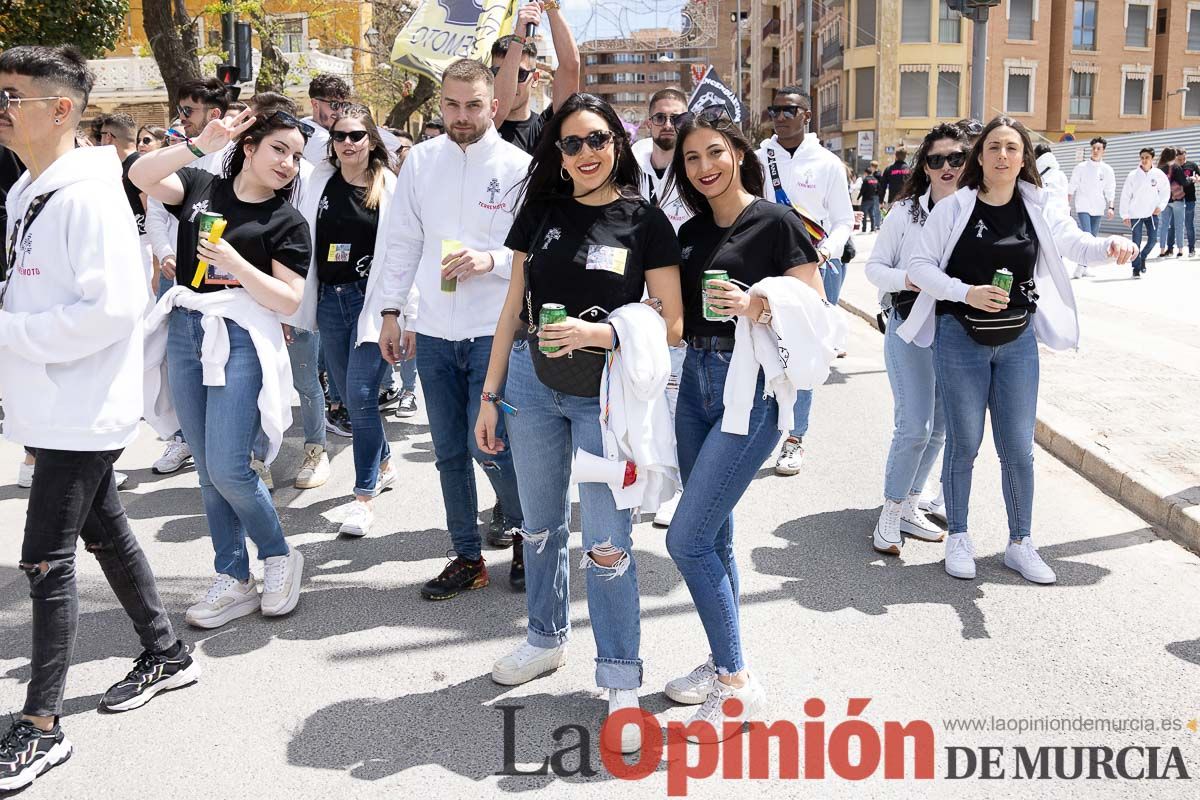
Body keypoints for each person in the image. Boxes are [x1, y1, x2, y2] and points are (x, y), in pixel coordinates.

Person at [0, 45, 199, 793]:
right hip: (52, 403)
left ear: (59, 110)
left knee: (45, 562)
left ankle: (42, 726)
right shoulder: (33, 189)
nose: (1, 107)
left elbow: (114, 310)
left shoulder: (88, 196)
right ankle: (166, 651)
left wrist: (9, 334)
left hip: (82, 411)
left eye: (11, 94)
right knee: (105, 528)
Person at [475, 92, 683, 754]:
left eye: (597, 140)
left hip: (607, 397)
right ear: (557, 155)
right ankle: (544, 638)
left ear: (617, 143)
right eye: (572, 143)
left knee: (606, 540)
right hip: (534, 388)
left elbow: (672, 320)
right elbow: (513, 306)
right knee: (536, 525)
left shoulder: (644, 220)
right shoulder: (540, 211)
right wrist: (490, 393)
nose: (586, 153)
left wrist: (602, 335)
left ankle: (621, 678)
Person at [898, 116, 1136, 585]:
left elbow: (1076, 245)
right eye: (994, 148)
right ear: (979, 158)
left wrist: (1110, 244)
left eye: (1012, 148)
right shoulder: (955, 208)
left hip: (1017, 340)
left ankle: (1021, 542)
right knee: (964, 445)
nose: (1003, 156)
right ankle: (959, 536)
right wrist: (966, 292)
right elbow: (920, 267)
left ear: (1024, 158)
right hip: (959, 337)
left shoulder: (1040, 205)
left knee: (1018, 449)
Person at [662, 107, 825, 739]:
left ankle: (736, 685)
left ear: (737, 152)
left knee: (687, 538)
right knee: (715, 535)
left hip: (749, 391)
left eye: (714, 153)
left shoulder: (775, 221)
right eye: (691, 159)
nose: (704, 167)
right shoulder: (691, 230)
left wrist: (758, 303)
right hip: (694, 386)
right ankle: (724, 660)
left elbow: (814, 305)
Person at [131, 106, 310, 628]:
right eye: (279, 149)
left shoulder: (286, 221)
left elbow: (289, 301)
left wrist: (236, 263)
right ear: (248, 146)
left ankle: (278, 555)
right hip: (187, 328)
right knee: (208, 470)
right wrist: (197, 144)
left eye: (297, 156)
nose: (288, 164)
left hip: (241, 337)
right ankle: (233, 576)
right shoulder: (200, 185)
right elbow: (139, 175)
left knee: (231, 467)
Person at [375, 59, 529, 598]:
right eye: (452, 105)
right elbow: (403, 242)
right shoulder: (420, 161)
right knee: (448, 452)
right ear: (440, 103)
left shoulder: (519, 166)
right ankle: (467, 557)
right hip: (436, 330)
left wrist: (490, 261)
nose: (462, 116)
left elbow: (533, 254)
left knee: (491, 445)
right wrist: (393, 311)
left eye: (473, 105)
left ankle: (525, 538)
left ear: (495, 105)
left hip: (495, 329)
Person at [292, 104, 399, 536]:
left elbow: (403, 251)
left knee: (358, 396)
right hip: (329, 301)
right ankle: (386, 462)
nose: (348, 143)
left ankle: (363, 498)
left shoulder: (387, 184)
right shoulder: (319, 181)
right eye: (339, 136)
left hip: (369, 302)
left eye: (356, 135)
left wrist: (398, 312)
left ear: (371, 140)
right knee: (350, 398)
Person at [864, 124, 968, 555]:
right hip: (909, 326)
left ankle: (910, 503)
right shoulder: (906, 212)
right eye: (936, 159)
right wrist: (910, 278)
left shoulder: (976, 211)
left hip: (958, 333)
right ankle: (889, 511)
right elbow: (873, 269)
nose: (946, 167)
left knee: (941, 426)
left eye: (955, 159)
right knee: (914, 425)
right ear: (924, 166)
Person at [756, 85, 854, 477]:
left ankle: (795, 438)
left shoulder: (828, 163)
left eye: (790, 110)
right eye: (775, 110)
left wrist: (827, 250)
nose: (781, 117)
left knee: (807, 352)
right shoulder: (758, 158)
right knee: (764, 348)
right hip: (765, 266)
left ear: (807, 116)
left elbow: (845, 218)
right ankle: (761, 433)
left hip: (815, 266)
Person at [144, 79, 232, 476]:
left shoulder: (237, 157)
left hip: (226, 281)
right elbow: (158, 214)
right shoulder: (177, 155)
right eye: (180, 111)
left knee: (230, 363)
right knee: (176, 366)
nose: (181, 118)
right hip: (177, 280)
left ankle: (250, 451)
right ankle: (184, 439)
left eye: (188, 112)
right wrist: (164, 253)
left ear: (214, 114)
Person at [632, 87, 693, 527]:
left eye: (676, 117)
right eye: (660, 117)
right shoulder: (630, 164)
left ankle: (677, 486)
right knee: (641, 392)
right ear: (648, 122)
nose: (668, 125)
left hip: (682, 297)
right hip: (635, 299)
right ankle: (647, 480)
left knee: (678, 397)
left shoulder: (695, 165)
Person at [491, 1, 580, 154]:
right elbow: (498, 111)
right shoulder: (479, 125)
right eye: (498, 73)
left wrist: (550, 6)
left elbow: (570, 66)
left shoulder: (546, 127)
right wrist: (519, 37)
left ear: (535, 78)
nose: (510, 81)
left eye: (519, 74)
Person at [1067, 136, 1116, 278]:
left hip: (1098, 207)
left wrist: (1111, 207)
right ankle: (1079, 266)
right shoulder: (1081, 167)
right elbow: (1072, 187)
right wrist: (1066, 205)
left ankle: (1084, 267)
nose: (1095, 151)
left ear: (1103, 151)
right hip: (1083, 206)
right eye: (1093, 148)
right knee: (1086, 235)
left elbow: (1110, 189)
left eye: (1098, 149)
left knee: (1092, 238)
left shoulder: (1107, 170)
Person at [1120, 147, 1169, 278]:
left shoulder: (1158, 174)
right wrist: (1124, 215)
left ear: (1152, 158)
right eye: (1142, 157)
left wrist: (1161, 206)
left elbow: (1165, 191)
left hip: (1151, 214)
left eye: (1147, 157)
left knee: (1153, 240)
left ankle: (1142, 258)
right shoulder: (1132, 175)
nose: (1144, 160)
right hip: (1135, 214)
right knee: (1136, 243)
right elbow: (1125, 196)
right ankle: (1135, 268)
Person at [1163, 147, 1188, 259]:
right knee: (1179, 225)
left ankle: (1162, 250)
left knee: (1164, 226)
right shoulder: (1177, 167)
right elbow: (1184, 182)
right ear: (1175, 156)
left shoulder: (1161, 167)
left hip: (1165, 201)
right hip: (1177, 200)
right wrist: (1191, 179)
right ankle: (1180, 250)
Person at [1177, 147, 1199, 257]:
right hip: (1177, 199)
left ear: (1186, 156)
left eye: (1183, 159)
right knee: (1176, 224)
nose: (1181, 161)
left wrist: (1196, 178)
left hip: (1190, 198)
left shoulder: (1192, 165)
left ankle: (1191, 249)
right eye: (1179, 159)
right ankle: (1174, 249)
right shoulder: (1174, 167)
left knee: (1189, 224)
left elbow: (1199, 176)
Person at [859, 161, 882, 232]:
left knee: (876, 211)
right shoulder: (874, 174)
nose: (870, 168)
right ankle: (874, 225)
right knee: (873, 211)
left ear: (873, 167)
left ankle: (877, 225)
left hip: (875, 195)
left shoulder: (877, 174)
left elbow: (880, 185)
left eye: (871, 166)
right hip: (872, 195)